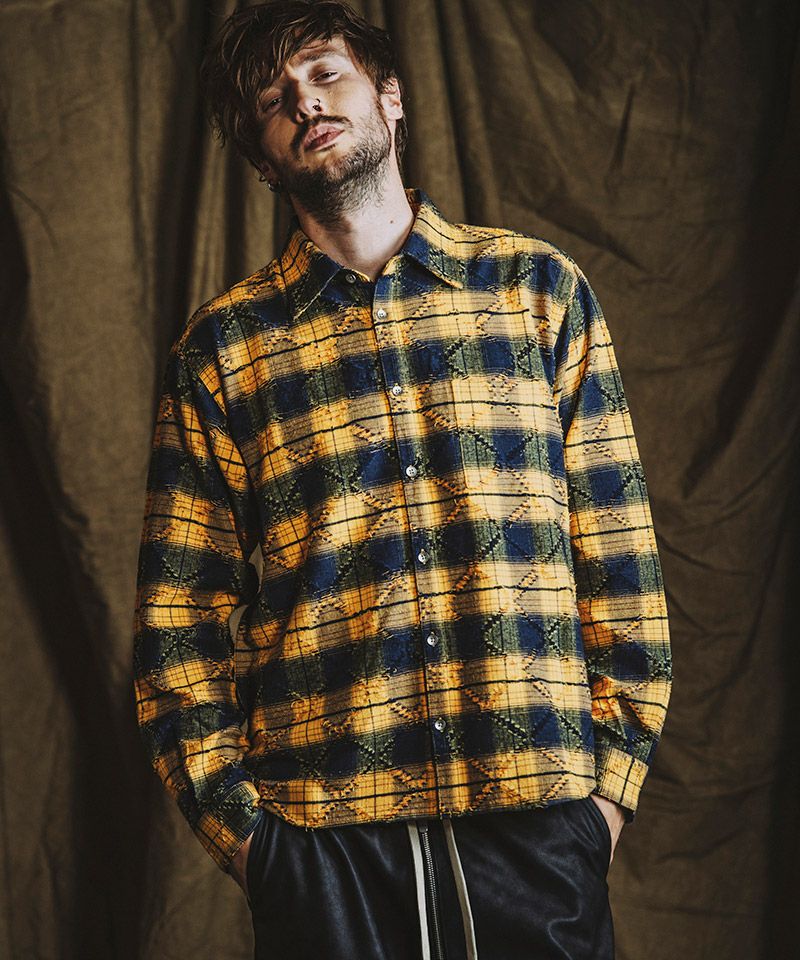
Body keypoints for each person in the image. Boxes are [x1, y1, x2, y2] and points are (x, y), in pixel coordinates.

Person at [132, 2, 672, 958]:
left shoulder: (537, 292)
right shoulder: (222, 352)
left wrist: (605, 803)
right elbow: (177, 619)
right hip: (323, 844)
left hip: (539, 815)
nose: (305, 102)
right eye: (273, 99)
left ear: (390, 96)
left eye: (324, 73)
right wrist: (251, 842)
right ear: (263, 160)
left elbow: (619, 557)